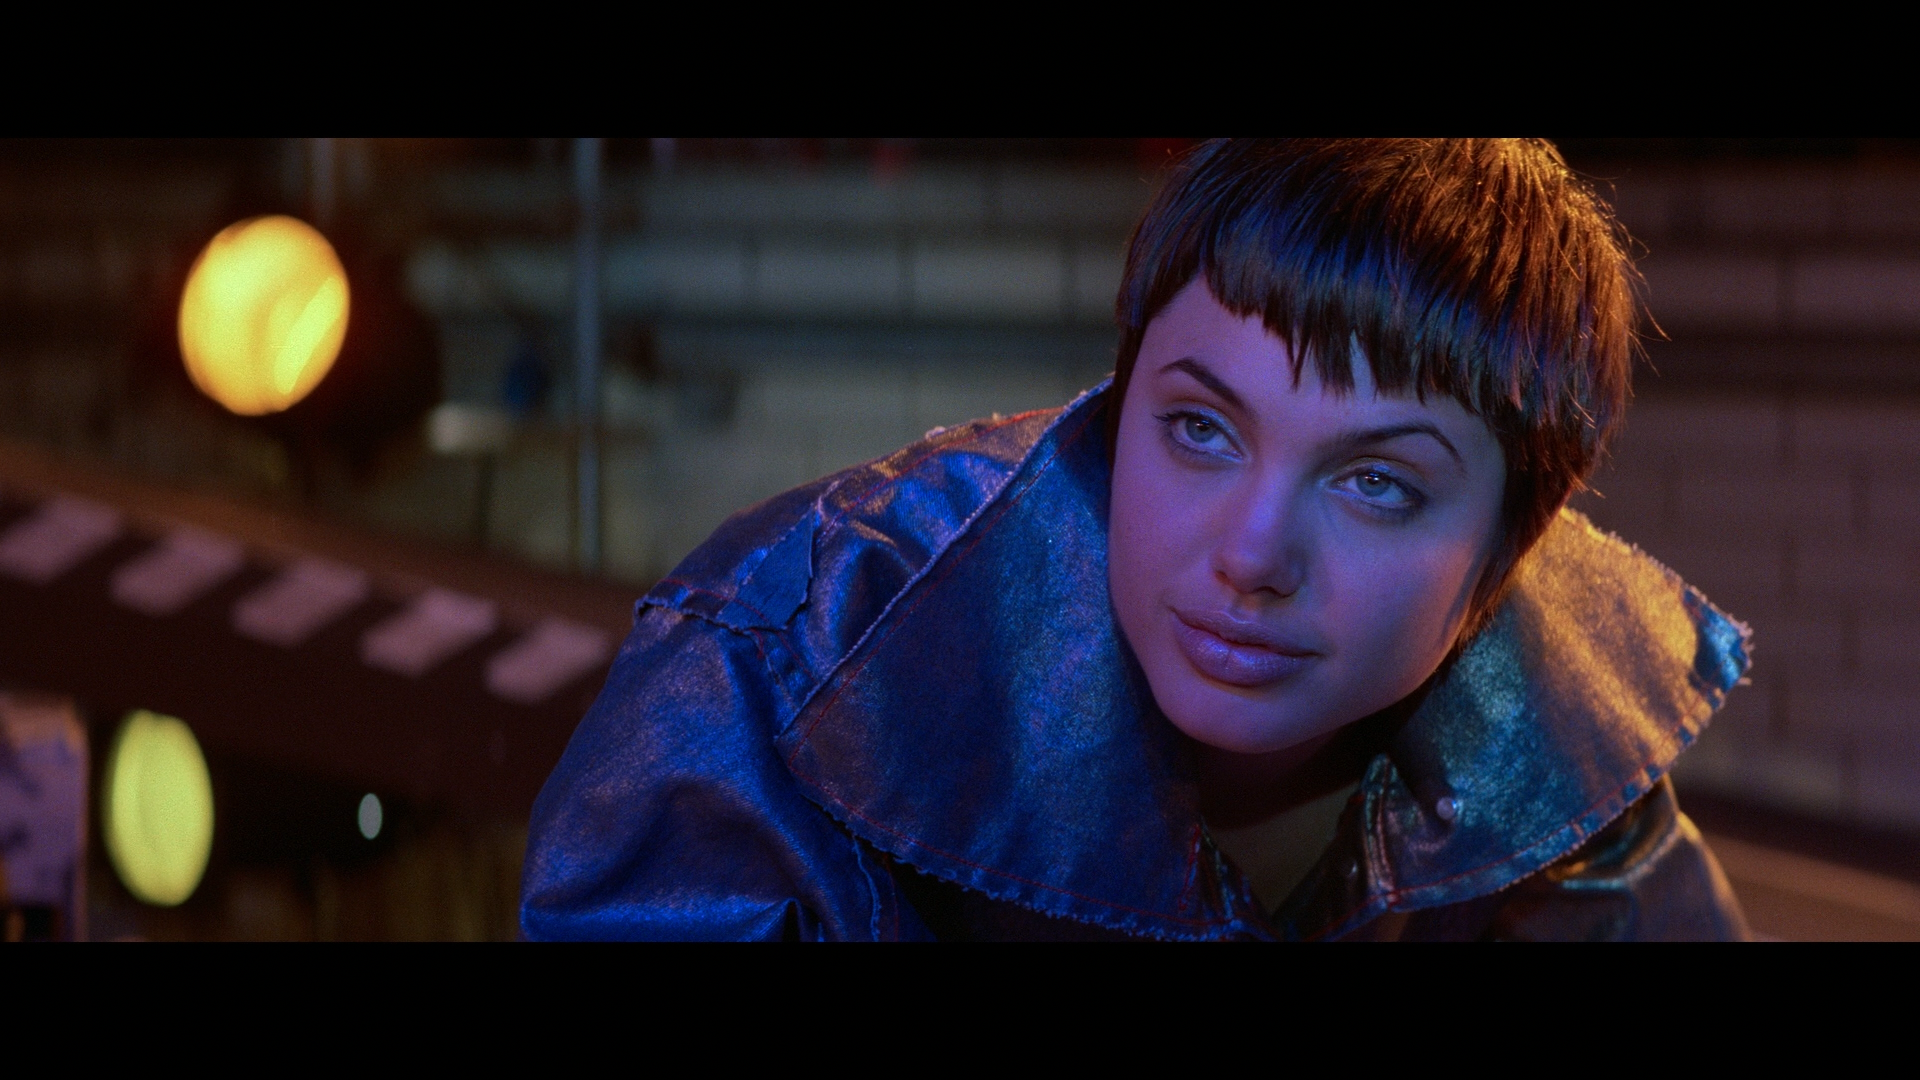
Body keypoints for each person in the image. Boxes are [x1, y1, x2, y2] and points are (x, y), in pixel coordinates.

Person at [520, 139, 1753, 941]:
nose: (1252, 553)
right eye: (1201, 429)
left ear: (1510, 554)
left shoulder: (1562, 749)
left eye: (1377, 483)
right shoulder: (785, 676)